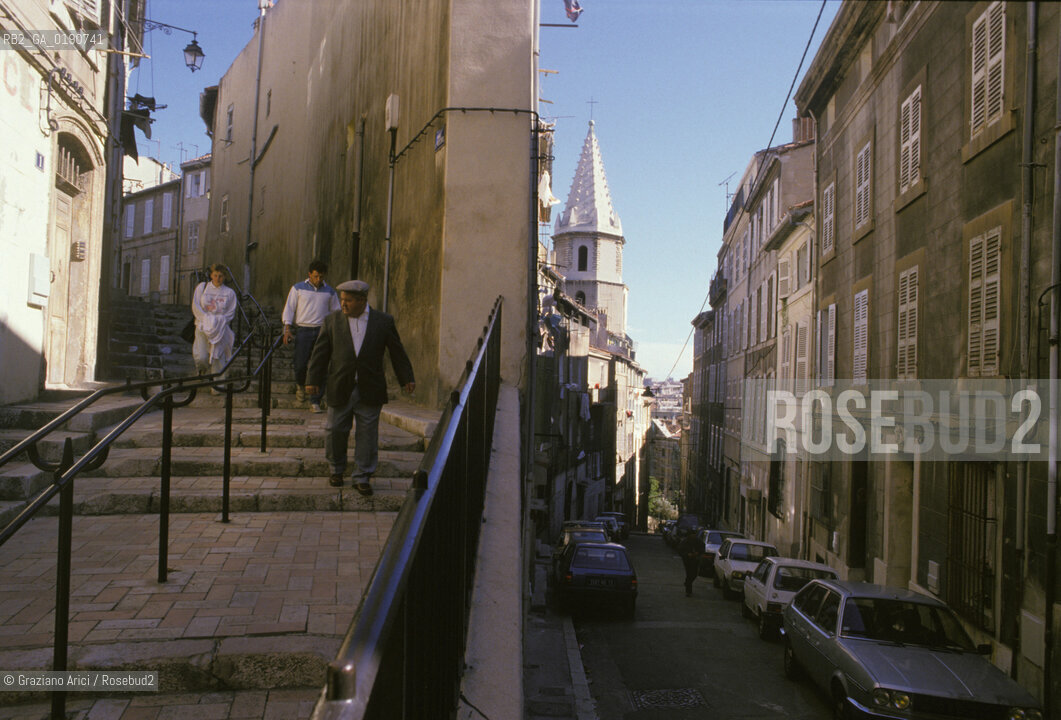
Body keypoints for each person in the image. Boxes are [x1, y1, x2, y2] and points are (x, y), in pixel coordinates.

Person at [305, 280, 415, 494]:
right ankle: (336, 469)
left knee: (367, 434)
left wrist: (406, 378)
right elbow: (320, 354)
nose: (343, 304)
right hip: (340, 385)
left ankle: (362, 475)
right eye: (342, 300)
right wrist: (313, 380)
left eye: (347, 300)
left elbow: (397, 351)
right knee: (335, 429)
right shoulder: (332, 321)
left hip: (370, 387)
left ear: (362, 300)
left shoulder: (383, 322)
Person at [281, 259, 340, 413]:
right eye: (315, 276)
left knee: (320, 366)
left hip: (322, 331)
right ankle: (301, 386)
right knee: (300, 364)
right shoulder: (298, 288)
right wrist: (287, 328)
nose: (318, 279)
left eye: (321, 276)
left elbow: (336, 313)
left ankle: (315, 400)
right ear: (309, 274)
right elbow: (289, 308)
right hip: (304, 330)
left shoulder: (330, 292)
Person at [191, 263, 238, 378]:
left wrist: (218, 322)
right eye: (215, 275)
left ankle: (217, 388)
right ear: (211, 275)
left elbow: (230, 312)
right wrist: (207, 320)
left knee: (219, 359)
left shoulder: (229, 293)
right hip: (203, 327)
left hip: (220, 329)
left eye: (221, 276)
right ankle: (201, 369)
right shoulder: (202, 288)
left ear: (225, 277)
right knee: (201, 356)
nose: (218, 278)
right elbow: (196, 306)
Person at [677, 531, 701, 597]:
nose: (693, 536)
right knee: (689, 574)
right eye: (692, 535)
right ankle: (688, 591)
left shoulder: (698, 541)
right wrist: (687, 554)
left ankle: (687, 583)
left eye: (694, 534)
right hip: (687, 560)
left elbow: (702, 548)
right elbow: (680, 550)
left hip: (695, 560)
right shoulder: (685, 542)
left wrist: (697, 553)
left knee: (694, 574)